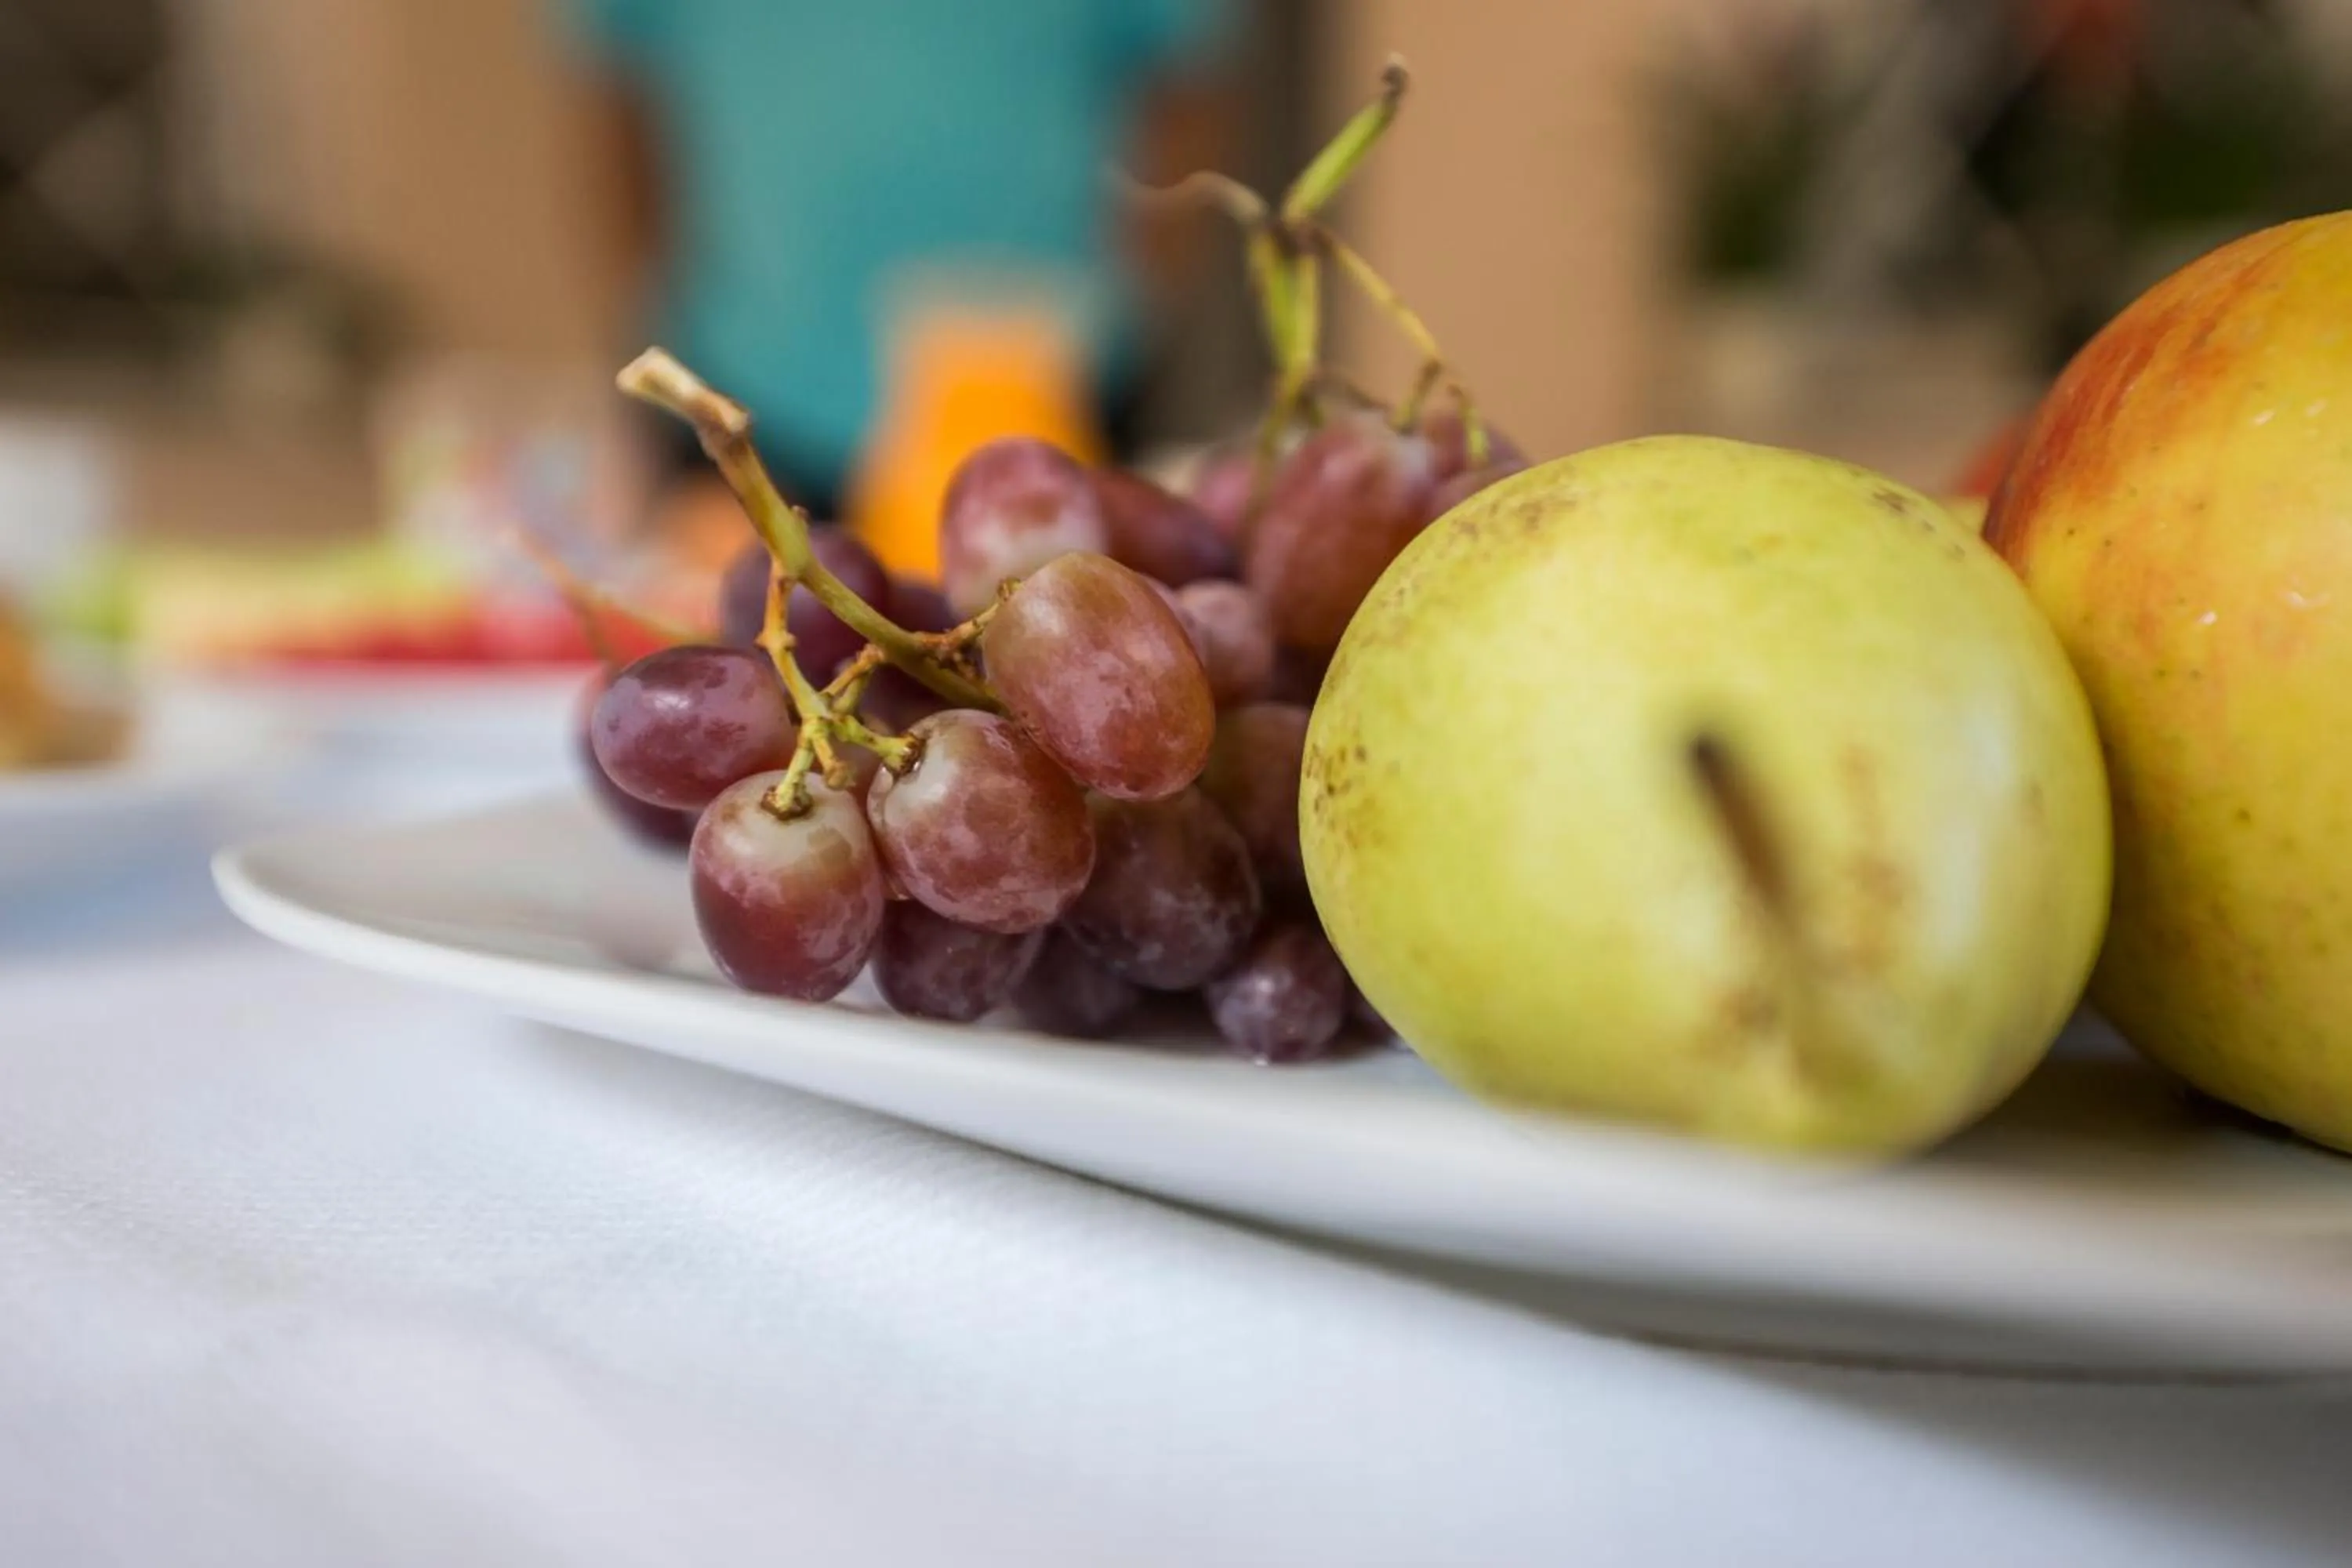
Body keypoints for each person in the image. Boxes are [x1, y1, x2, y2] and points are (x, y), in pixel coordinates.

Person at [571, 0, 1232, 521]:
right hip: (750, 400)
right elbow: (622, 100)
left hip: (1053, 397)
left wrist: (1143, 308)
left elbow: (1182, 86)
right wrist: (649, 322)